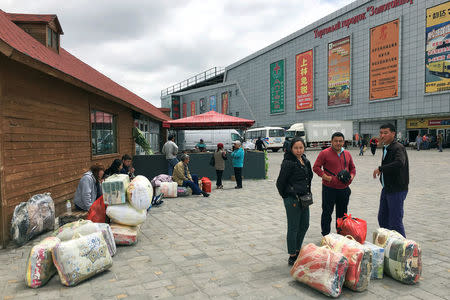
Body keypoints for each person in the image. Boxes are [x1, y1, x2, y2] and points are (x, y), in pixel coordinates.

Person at [276, 137, 313, 266]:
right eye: (296, 148)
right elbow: (280, 182)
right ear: (291, 149)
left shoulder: (305, 161)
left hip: (304, 199)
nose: (299, 150)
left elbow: (309, 178)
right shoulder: (288, 162)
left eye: (301, 147)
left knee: (304, 225)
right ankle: (292, 255)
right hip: (292, 200)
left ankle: (298, 249)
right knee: (293, 227)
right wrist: (287, 196)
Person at [313, 132, 356, 236]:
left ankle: (341, 234)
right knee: (327, 212)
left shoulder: (347, 153)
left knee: (342, 214)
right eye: (336, 141)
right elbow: (316, 167)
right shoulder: (324, 153)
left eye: (340, 141)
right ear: (331, 142)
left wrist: (351, 177)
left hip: (344, 188)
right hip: (329, 188)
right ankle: (326, 235)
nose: (338, 143)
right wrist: (326, 177)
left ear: (343, 142)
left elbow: (353, 168)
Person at [373, 123, 409, 237]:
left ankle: (403, 248)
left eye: (385, 133)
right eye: (381, 133)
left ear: (393, 134)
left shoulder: (398, 147)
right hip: (387, 188)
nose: (382, 135)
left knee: (395, 221)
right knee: (382, 218)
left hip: (396, 189)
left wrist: (381, 169)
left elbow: (399, 163)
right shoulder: (386, 147)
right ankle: (389, 242)